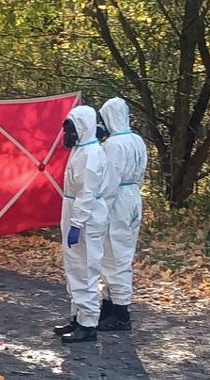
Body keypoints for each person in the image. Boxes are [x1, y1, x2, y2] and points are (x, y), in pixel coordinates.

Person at [54, 104, 111, 344]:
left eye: (72, 130)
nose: (69, 135)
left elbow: (87, 193)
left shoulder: (91, 155)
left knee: (86, 268)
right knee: (75, 267)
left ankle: (88, 323)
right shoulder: (82, 149)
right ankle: (77, 316)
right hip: (75, 210)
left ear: (84, 128)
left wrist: (77, 222)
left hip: (86, 216)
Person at [99, 97, 146, 331]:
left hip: (118, 199)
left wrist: (100, 209)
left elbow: (110, 180)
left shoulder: (114, 145)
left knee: (114, 254)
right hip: (133, 196)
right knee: (121, 252)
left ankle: (120, 311)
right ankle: (109, 305)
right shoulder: (137, 139)